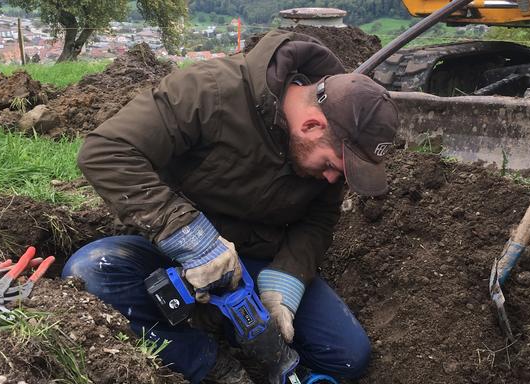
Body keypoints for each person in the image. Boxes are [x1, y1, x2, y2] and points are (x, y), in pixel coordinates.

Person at [62, 29, 399, 384]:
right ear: (312, 124)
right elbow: (105, 152)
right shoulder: (209, 91)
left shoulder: (331, 154)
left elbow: (320, 219)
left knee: (348, 358)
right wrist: (191, 239)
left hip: (254, 262)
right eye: (331, 165)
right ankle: (212, 367)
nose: (333, 179)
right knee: (92, 273)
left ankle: (250, 343)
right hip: (170, 253)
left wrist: (285, 280)